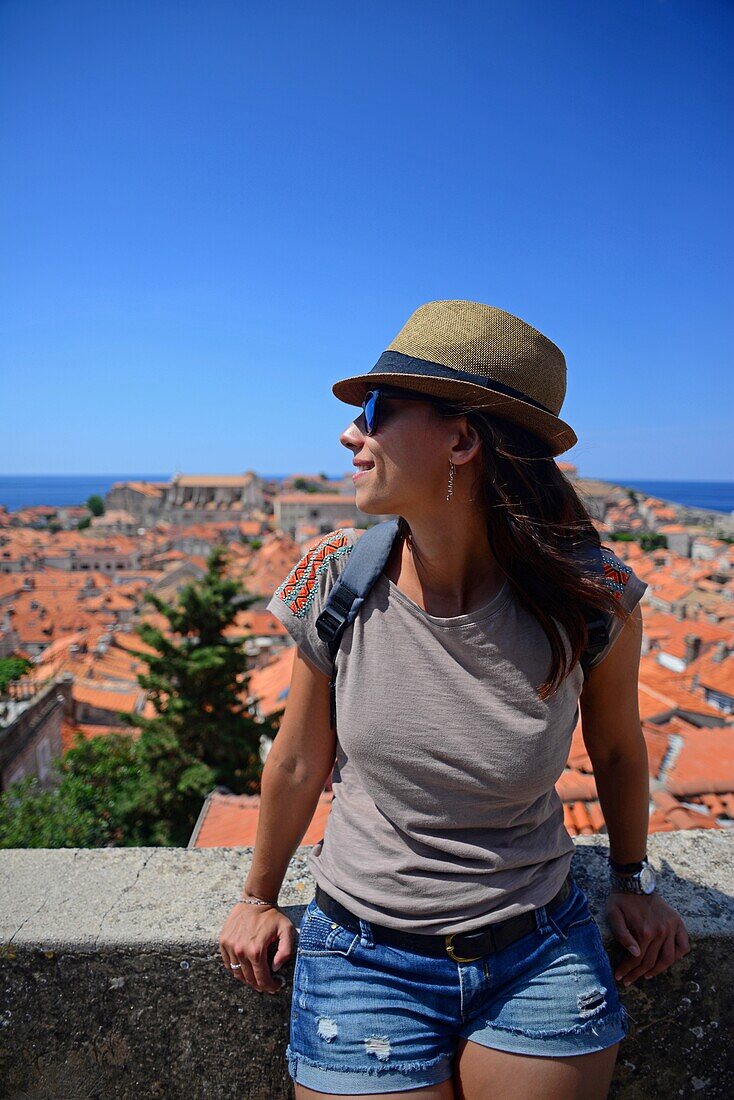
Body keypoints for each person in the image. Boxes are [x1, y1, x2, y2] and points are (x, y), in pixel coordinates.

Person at [219, 301, 690, 1100]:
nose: (348, 435)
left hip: (539, 945)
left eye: (372, 414)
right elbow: (300, 758)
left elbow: (616, 750)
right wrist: (258, 897)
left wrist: (633, 884)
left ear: (462, 441)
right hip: (363, 948)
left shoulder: (593, 597)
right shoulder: (333, 578)